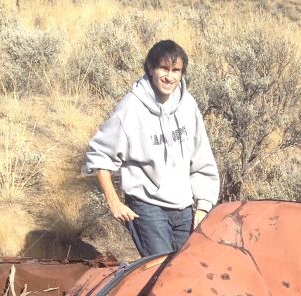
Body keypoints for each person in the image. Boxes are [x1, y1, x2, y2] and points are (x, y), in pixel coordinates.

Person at [85, 39, 220, 258]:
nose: (169, 76)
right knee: (160, 274)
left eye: (176, 70)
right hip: (147, 207)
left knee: (186, 271)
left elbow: (201, 158)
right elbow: (100, 156)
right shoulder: (131, 108)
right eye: (164, 68)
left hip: (184, 208)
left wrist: (203, 206)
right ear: (150, 68)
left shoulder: (187, 105)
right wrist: (114, 202)